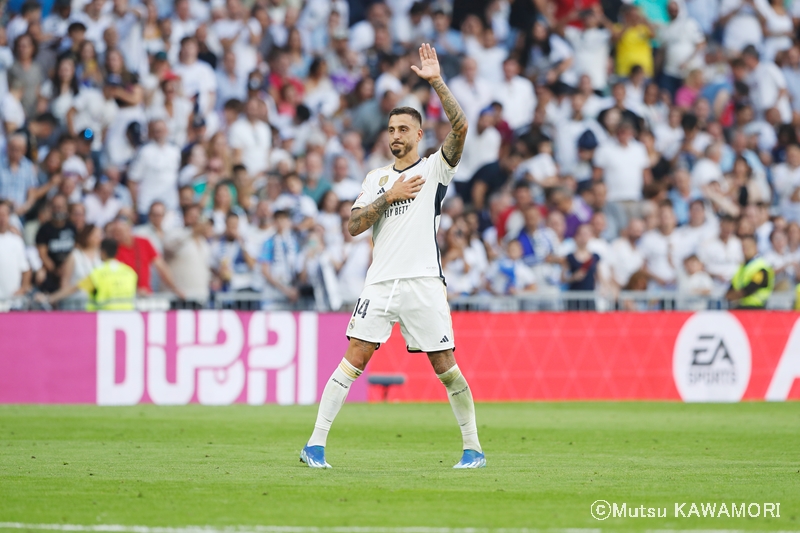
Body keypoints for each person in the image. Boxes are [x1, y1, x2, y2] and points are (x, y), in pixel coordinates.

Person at [301, 44, 484, 470]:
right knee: (354, 360)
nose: (396, 135)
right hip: (381, 283)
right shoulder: (375, 179)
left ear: (419, 135)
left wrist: (436, 81)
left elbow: (461, 128)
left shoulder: (436, 168)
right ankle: (315, 444)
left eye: (404, 128)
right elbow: (353, 225)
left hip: (423, 283)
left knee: (445, 366)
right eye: (391, 129)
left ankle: (473, 448)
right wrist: (388, 196)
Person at [46, 238, 138, 310]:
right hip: (127, 315)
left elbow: (74, 289)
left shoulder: (98, 273)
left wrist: (49, 298)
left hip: (103, 316)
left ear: (103, 252)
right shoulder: (130, 272)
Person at [726, 234, 775, 309]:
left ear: (756, 247)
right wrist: (730, 295)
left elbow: (749, 289)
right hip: (739, 307)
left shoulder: (761, 267)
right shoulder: (741, 267)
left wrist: (734, 295)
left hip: (756, 308)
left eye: (748, 247)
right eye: (743, 247)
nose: (745, 250)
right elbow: (730, 289)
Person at [0, 200, 31, 301]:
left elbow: (25, 269)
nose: (2, 218)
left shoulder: (16, 241)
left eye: (4, 214)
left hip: (13, 300)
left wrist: (23, 289)